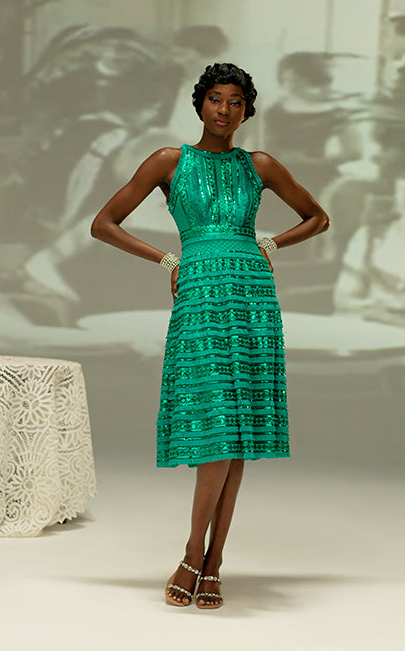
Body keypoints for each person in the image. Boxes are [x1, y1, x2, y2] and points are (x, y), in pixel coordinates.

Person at [91, 63, 329, 610]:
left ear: (247, 110)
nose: (225, 109)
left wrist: (268, 245)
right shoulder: (168, 161)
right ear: (200, 104)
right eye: (216, 99)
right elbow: (104, 223)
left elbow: (318, 217)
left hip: (252, 297)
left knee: (236, 431)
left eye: (236, 101)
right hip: (200, 292)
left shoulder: (259, 165)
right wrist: (167, 260)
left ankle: (211, 560)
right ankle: (194, 550)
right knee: (216, 422)